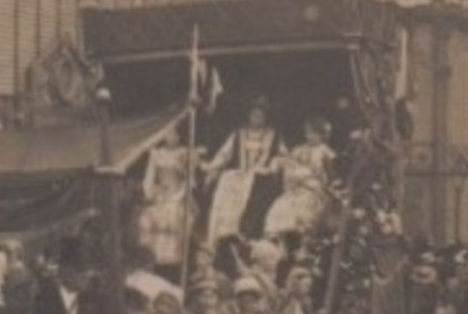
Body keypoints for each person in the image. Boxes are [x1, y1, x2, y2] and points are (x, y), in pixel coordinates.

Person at [205, 98, 284, 243]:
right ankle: (224, 233)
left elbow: (283, 156)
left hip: (261, 175)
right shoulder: (238, 134)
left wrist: (273, 165)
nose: (256, 119)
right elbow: (224, 153)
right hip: (240, 173)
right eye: (254, 115)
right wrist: (212, 167)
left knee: (255, 191)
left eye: (260, 116)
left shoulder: (273, 135)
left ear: (265, 118)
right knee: (226, 183)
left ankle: (245, 234)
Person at [137, 122, 198, 275]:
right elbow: (149, 176)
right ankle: (153, 259)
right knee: (149, 218)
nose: (171, 137)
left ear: (179, 136)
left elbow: (189, 179)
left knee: (175, 215)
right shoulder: (156, 153)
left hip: (178, 191)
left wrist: (180, 194)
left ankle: (173, 262)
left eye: (174, 134)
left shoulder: (185, 153)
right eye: (168, 134)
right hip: (160, 192)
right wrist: (149, 193)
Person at [262, 116, 335, 238]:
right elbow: (290, 166)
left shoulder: (325, 152)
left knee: (301, 212)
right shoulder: (298, 149)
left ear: (322, 135)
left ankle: (298, 240)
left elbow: (329, 176)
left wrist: (321, 184)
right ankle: (274, 240)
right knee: (279, 207)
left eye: (315, 134)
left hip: (313, 191)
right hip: (295, 190)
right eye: (308, 133)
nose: (310, 136)